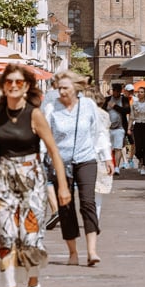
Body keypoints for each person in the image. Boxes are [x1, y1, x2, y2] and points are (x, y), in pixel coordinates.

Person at [0, 63, 70, 287]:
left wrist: (63, 186)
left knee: (30, 238)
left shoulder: (34, 115)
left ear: (26, 87)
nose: (13, 86)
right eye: (9, 82)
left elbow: (53, 150)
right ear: (3, 86)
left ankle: (33, 284)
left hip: (32, 177)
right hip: (3, 179)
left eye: (18, 82)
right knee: (7, 239)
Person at [45, 71, 110, 267]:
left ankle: (92, 250)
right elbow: (45, 135)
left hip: (86, 158)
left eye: (65, 88)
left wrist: (106, 156)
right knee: (65, 207)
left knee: (87, 203)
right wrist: (41, 158)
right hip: (60, 161)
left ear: (76, 88)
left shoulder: (88, 105)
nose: (61, 91)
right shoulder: (51, 107)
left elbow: (98, 132)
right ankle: (72, 252)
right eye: (59, 88)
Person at [130, 87, 145, 176]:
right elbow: (131, 117)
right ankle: (140, 159)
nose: (140, 93)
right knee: (138, 145)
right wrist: (129, 128)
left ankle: (144, 165)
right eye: (138, 92)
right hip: (137, 125)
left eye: (142, 92)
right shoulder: (134, 104)